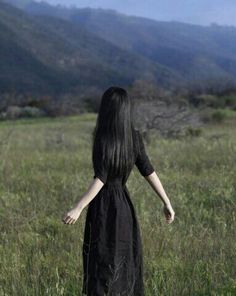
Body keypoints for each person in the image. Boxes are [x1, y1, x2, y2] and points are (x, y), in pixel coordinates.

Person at [62, 86, 175, 296]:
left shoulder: (102, 138)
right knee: (124, 258)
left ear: (106, 109)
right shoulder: (134, 137)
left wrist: (78, 208)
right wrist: (166, 201)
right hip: (124, 206)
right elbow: (148, 170)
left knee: (101, 259)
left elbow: (101, 179)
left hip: (103, 206)